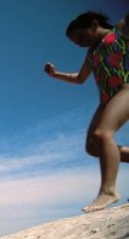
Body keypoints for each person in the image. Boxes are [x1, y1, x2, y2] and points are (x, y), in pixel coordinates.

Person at [44, 11, 129, 213]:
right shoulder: (91, 53)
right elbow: (80, 78)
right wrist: (55, 75)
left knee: (102, 134)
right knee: (93, 147)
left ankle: (108, 191)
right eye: (77, 43)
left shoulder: (120, 31)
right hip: (106, 101)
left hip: (126, 89)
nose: (82, 43)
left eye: (82, 37)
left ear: (93, 24)